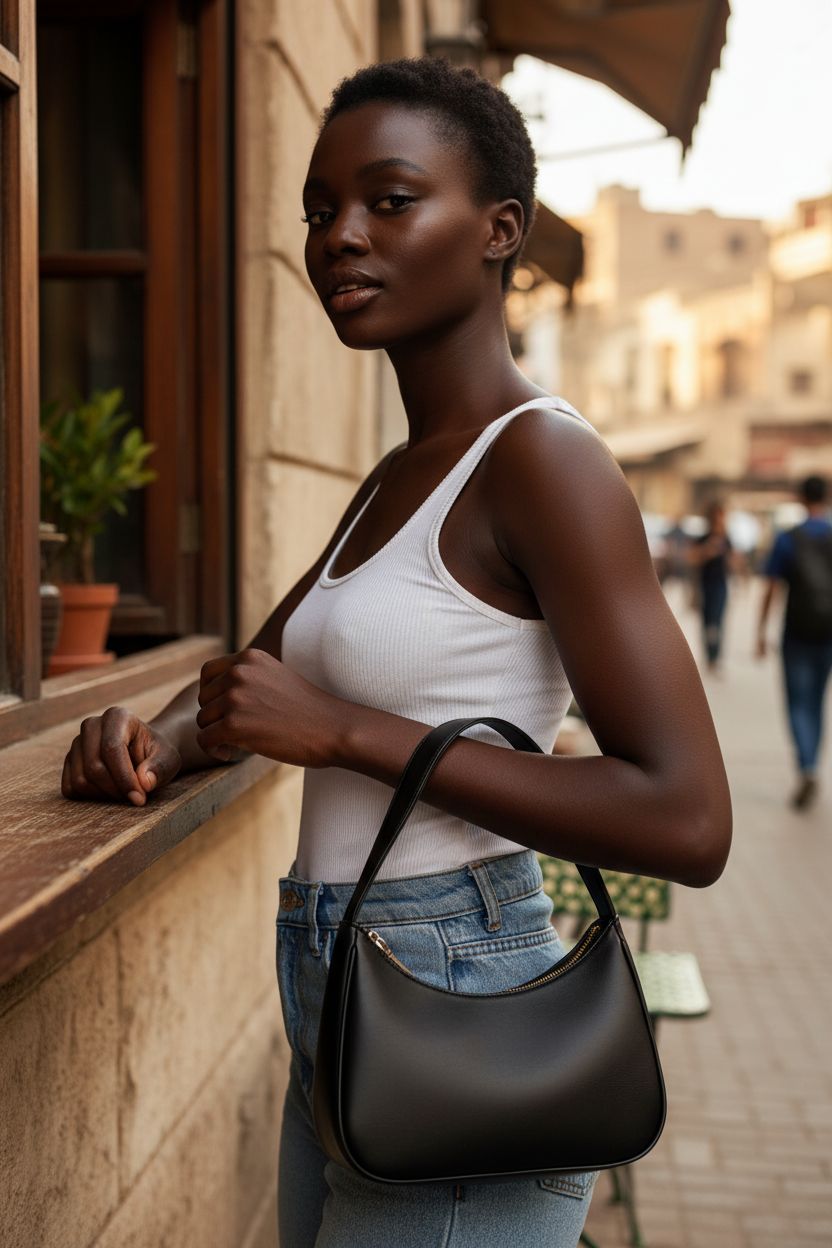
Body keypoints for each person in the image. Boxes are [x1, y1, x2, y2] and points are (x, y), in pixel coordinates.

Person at [59, 58, 731, 1248]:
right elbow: (248, 697)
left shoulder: (545, 461)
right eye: (320, 210)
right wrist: (138, 740)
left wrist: (348, 737)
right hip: (345, 1000)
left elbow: (686, 822)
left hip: (460, 993)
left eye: (389, 199)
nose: (339, 237)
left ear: (499, 231)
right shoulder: (395, 475)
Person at [757, 475, 832, 810]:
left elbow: (772, 586)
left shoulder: (789, 538)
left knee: (798, 703)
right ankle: (812, 762)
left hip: (797, 632)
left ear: (800, 498)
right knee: (817, 701)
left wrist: (760, 631)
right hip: (828, 632)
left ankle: (806, 766)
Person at [690, 501, 734, 674]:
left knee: (717, 621)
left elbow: (733, 562)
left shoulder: (726, 539)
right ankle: (709, 655)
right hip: (705, 585)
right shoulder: (703, 538)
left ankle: (715, 657)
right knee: (707, 621)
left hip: (720, 585)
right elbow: (692, 558)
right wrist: (707, 551)